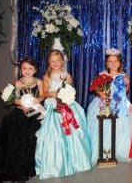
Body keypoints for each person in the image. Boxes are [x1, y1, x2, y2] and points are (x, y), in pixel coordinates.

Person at [0, 57, 44, 183]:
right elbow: (14, 99)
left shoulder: (39, 82)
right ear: (21, 70)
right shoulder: (18, 83)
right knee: (18, 140)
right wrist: (21, 104)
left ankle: (31, 164)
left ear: (35, 70)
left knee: (32, 139)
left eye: (30, 68)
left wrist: (37, 100)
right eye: (24, 68)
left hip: (35, 112)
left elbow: (43, 95)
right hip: (21, 114)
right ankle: (18, 166)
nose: (27, 71)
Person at [35, 49, 92, 179]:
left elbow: (71, 90)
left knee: (73, 131)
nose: (55, 63)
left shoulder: (67, 75)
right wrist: (54, 93)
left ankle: (76, 160)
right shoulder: (47, 76)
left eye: (57, 61)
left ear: (62, 62)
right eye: (52, 61)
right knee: (55, 132)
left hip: (66, 105)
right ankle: (55, 163)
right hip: (52, 105)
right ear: (49, 63)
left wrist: (64, 95)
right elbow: (44, 93)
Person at [87, 48, 132, 165]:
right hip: (103, 102)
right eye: (110, 61)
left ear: (120, 63)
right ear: (106, 63)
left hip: (119, 104)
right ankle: (102, 150)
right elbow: (97, 88)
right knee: (101, 123)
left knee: (122, 122)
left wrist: (125, 85)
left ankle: (119, 150)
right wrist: (101, 94)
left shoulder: (123, 77)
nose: (113, 64)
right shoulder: (102, 75)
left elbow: (125, 92)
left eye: (115, 61)